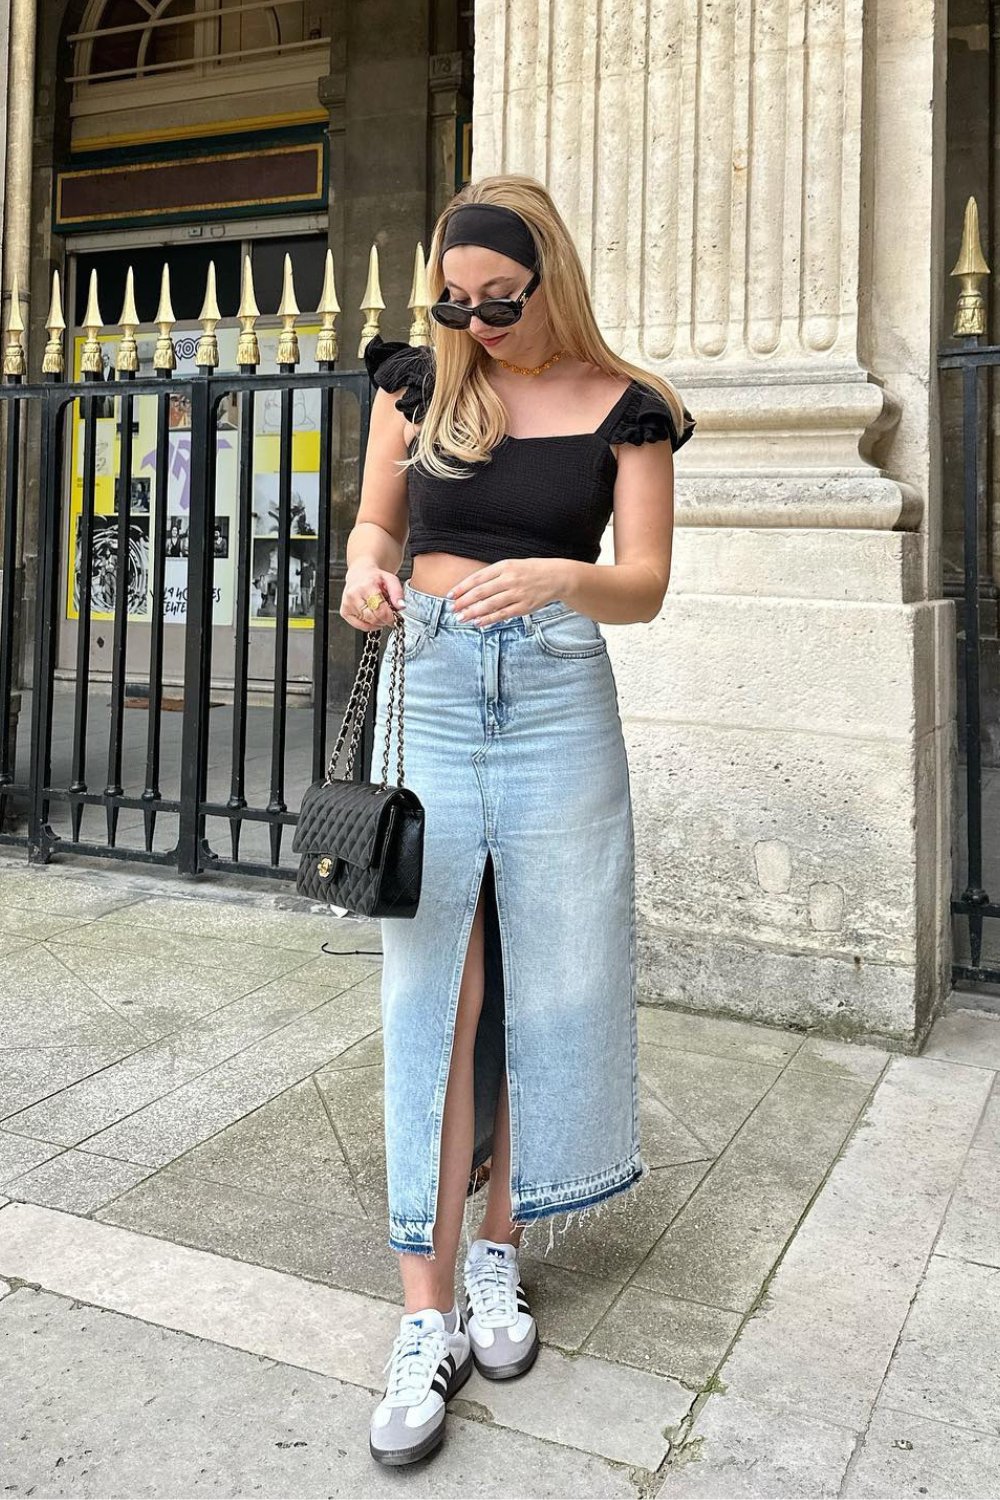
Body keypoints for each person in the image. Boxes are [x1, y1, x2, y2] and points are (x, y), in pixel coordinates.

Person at [340, 174, 695, 1469]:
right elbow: (376, 528)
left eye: (500, 298)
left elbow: (645, 586)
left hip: (554, 696)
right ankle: (422, 1308)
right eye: (456, 299)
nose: (476, 321)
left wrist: (566, 576)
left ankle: (504, 1251)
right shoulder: (418, 390)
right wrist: (367, 580)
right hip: (430, 688)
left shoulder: (629, 407)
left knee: (550, 983)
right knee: (440, 990)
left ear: (551, 276)